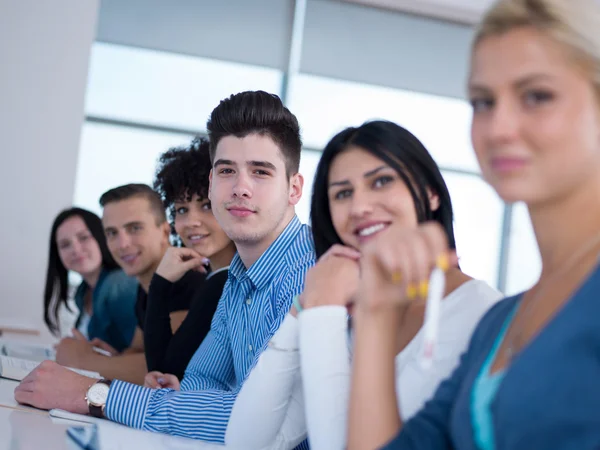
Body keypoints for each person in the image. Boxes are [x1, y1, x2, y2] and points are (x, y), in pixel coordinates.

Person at [348, 1, 600, 449]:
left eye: (536, 96)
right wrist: (376, 314)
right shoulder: (500, 323)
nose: (498, 127)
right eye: (483, 101)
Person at [14, 91, 314, 449]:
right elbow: (199, 383)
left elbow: (260, 422)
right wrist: (177, 402)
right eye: (227, 171)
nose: (240, 188)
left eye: (260, 172)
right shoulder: (237, 277)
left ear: (294, 188)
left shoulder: (308, 273)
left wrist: (97, 394)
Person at [222, 120, 502, 450]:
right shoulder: (347, 316)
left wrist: (324, 311)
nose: (359, 208)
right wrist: (302, 309)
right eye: (343, 193)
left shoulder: (480, 313)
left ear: (431, 193)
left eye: (381, 181)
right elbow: (245, 442)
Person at [54, 184, 176, 384]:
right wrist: (113, 359)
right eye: (112, 233)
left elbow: (168, 369)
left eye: (135, 228)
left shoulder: (121, 285)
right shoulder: (145, 288)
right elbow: (139, 351)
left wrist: (82, 359)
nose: (123, 244)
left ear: (164, 232)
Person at [143, 136, 236, 382]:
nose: (192, 222)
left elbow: (164, 373)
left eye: (206, 205)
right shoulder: (215, 278)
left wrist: (160, 284)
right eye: (181, 209)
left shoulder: (224, 282)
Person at [44, 208, 138, 352]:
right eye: (65, 245)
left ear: (102, 237)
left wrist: (86, 358)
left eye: (84, 237)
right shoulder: (82, 292)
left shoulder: (120, 285)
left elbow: (142, 359)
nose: (75, 249)